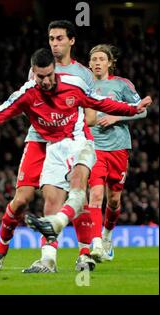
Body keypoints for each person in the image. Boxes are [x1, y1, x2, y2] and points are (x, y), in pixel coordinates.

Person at [0, 48, 151, 271]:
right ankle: (49, 260)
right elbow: (1, 112)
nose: (46, 81)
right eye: (40, 76)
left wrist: (132, 109)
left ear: (54, 70)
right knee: (51, 201)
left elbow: (101, 102)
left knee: (79, 190)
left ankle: (68, 233)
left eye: (49, 75)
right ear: (33, 73)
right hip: (53, 148)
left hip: (80, 142)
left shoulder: (74, 84)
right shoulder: (27, 93)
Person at [0, 20, 97, 273]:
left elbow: (90, 115)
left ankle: (79, 254)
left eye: (60, 38)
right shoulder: (38, 68)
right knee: (22, 199)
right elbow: (28, 103)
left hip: (70, 140)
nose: (55, 44)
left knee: (74, 194)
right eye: (51, 39)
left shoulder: (83, 75)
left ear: (72, 41)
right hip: (39, 140)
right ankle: (2, 246)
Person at [86, 44, 147, 262]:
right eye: (93, 59)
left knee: (113, 200)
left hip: (118, 148)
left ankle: (107, 235)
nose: (97, 63)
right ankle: (96, 245)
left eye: (101, 59)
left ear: (110, 62)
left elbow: (143, 110)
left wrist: (117, 117)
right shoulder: (82, 84)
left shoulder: (122, 85)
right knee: (95, 196)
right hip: (93, 148)